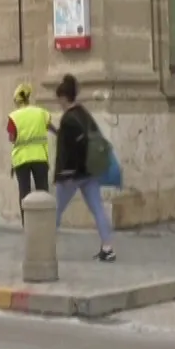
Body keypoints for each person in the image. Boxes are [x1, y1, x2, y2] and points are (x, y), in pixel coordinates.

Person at [51, 73, 116, 262]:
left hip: (71, 174)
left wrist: (63, 174)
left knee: (54, 210)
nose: (59, 103)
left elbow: (68, 150)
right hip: (89, 171)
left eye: (59, 100)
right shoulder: (84, 114)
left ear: (63, 97)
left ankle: (44, 248)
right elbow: (82, 140)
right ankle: (108, 247)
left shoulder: (67, 119)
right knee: (97, 208)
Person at [6, 83, 51, 213]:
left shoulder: (14, 116)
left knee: (24, 192)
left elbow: (12, 138)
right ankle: (44, 220)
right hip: (40, 157)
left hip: (21, 159)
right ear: (28, 98)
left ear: (16, 101)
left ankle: (27, 223)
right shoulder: (41, 112)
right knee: (43, 192)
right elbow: (50, 126)